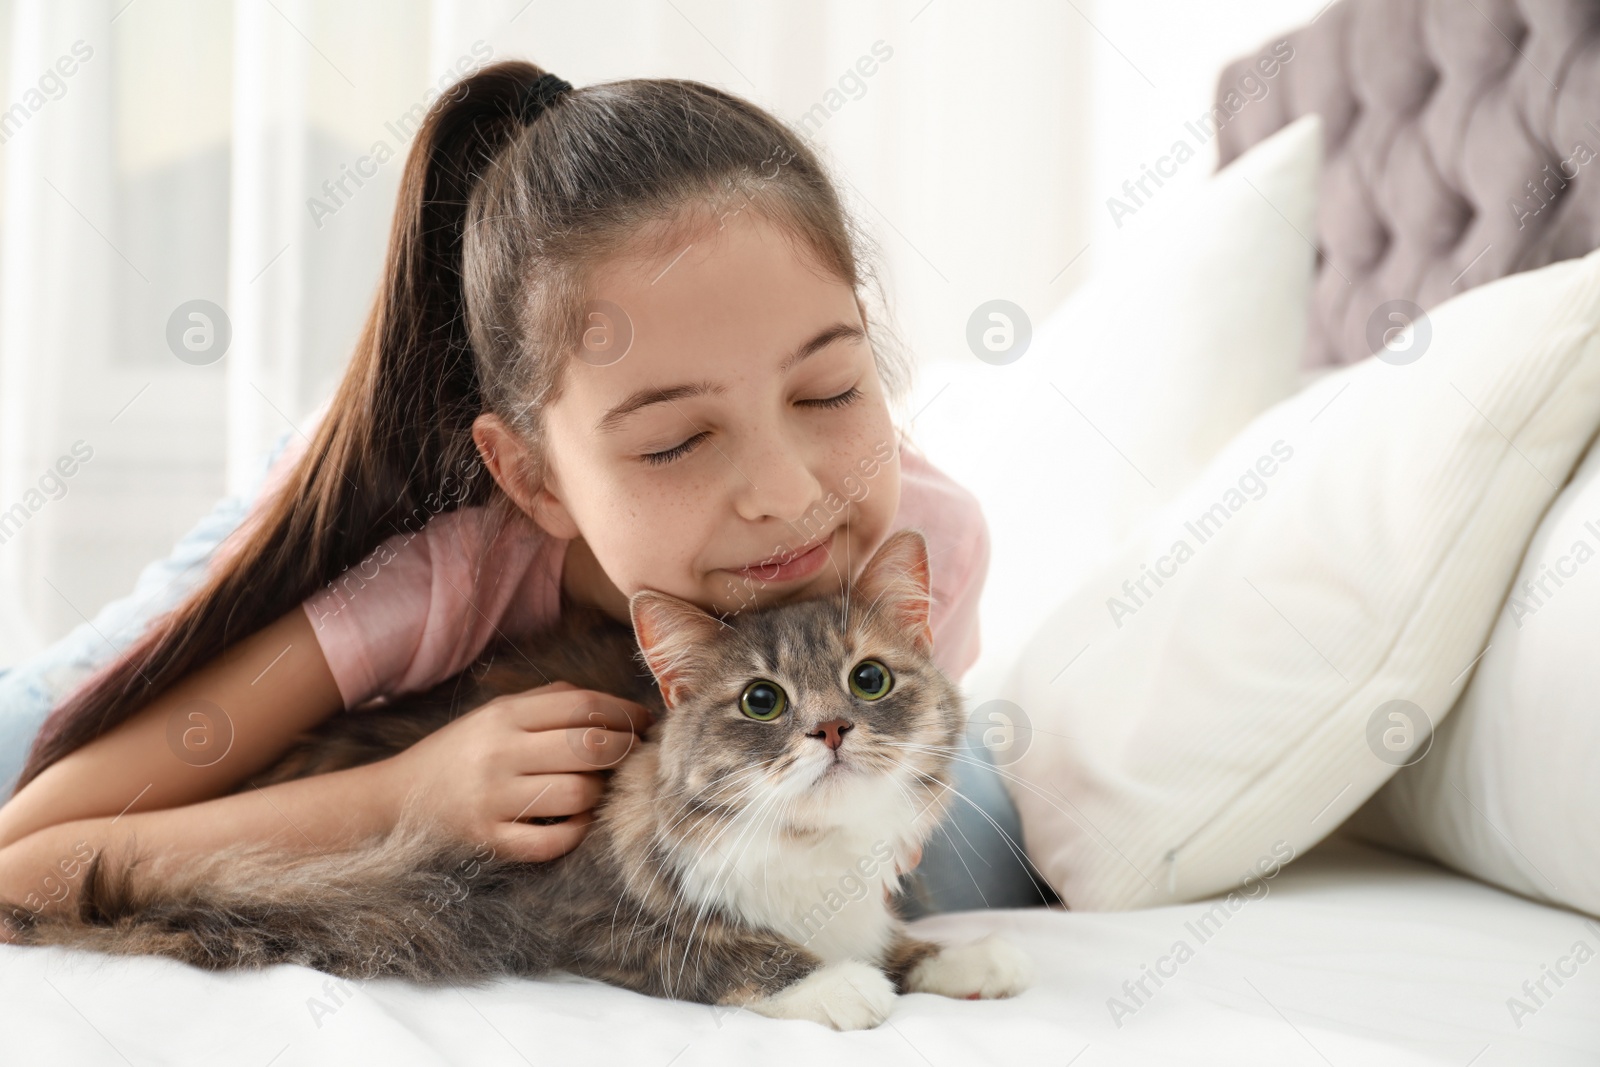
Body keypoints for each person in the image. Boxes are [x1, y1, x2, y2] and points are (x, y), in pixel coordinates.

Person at [0, 62, 1046, 936]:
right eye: (677, 440)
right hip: (311, 527)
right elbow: (28, 859)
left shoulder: (923, 540)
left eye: (827, 389)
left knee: (985, 855)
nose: (787, 493)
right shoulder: (438, 572)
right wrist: (403, 796)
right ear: (534, 477)